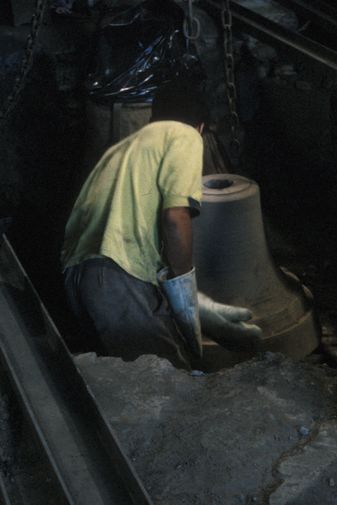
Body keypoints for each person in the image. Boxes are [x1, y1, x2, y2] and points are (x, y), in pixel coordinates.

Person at [61, 81, 260, 369]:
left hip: (80, 280)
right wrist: (185, 293)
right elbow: (174, 217)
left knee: (134, 383)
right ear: (201, 127)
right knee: (175, 388)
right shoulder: (184, 136)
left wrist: (198, 308)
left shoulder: (121, 150)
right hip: (117, 278)